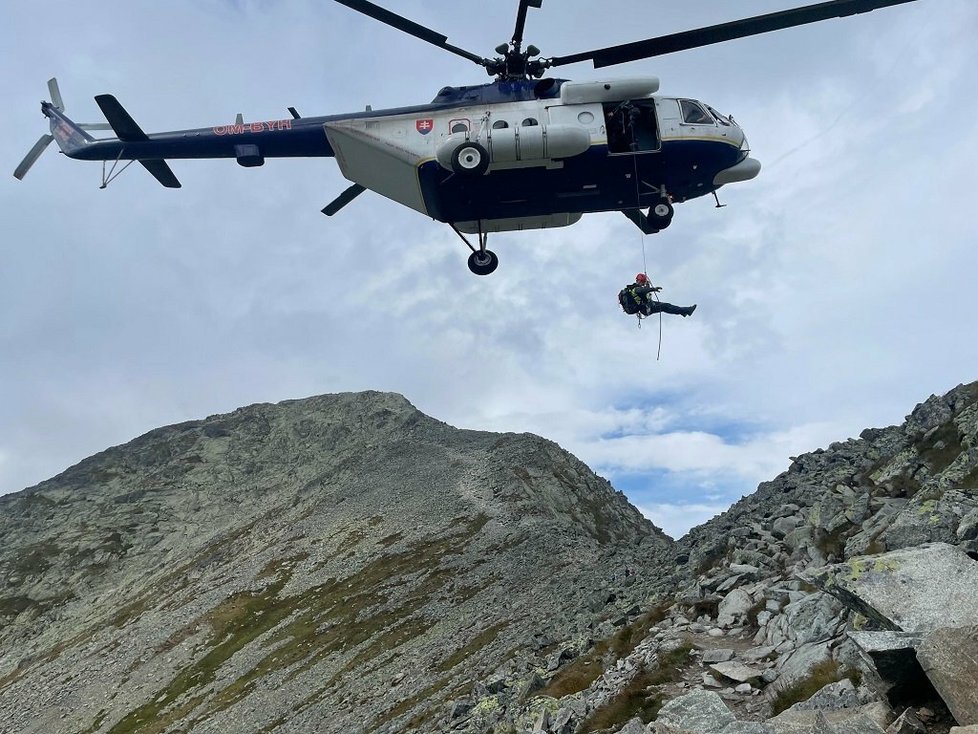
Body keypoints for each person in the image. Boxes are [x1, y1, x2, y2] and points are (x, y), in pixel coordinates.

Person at [620, 273, 696, 318]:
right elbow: (643, 290)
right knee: (666, 306)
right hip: (647, 308)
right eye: (642, 282)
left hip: (646, 306)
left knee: (666, 306)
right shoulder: (637, 289)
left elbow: (644, 291)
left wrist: (648, 285)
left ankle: (683, 312)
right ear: (639, 281)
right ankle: (687, 311)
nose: (642, 284)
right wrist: (653, 289)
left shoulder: (632, 289)